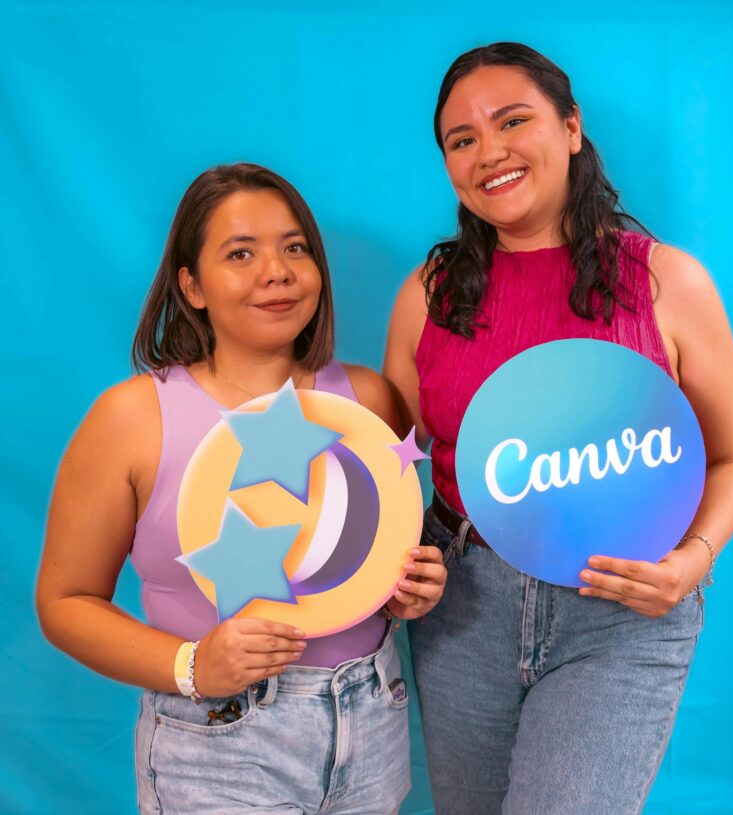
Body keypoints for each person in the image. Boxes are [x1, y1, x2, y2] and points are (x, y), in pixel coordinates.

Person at [384, 43, 733, 815]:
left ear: (572, 128)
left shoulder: (667, 283)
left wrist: (692, 560)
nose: (491, 152)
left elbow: (731, 459)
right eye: (462, 139)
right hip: (463, 605)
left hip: (618, 609)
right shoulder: (427, 295)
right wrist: (392, 568)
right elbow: (389, 466)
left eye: (513, 121)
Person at [37, 162, 447, 815]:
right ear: (192, 285)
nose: (277, 271)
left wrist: (411, 591)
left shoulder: (369, 400)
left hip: (371, 722)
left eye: (295, 248)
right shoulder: (133, 418)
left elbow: (375, 569)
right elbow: (65, 600)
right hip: (218, 742)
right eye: (240, 253)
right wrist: (193, 664)